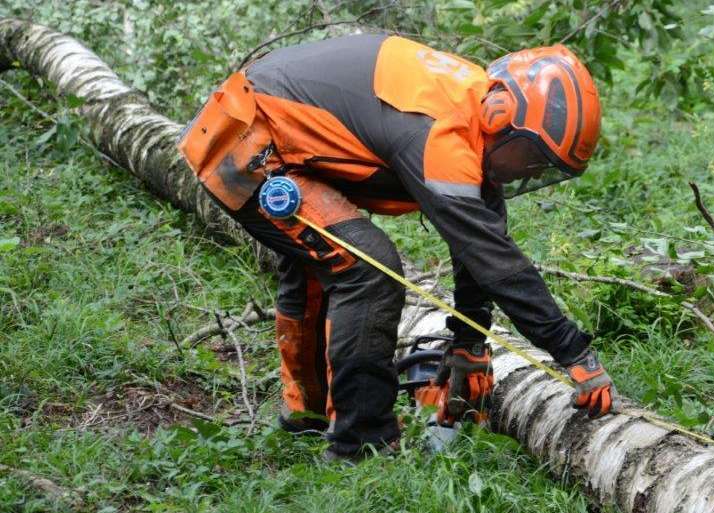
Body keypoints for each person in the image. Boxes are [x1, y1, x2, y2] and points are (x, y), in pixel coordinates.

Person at [177, 33, 614, 461]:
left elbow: (481, 234)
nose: (523, 171)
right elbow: (494, 260)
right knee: (368, 271)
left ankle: (306, 413)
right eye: (526, 158)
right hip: (248, 144)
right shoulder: (436, 132)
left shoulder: (468, 106)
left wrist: (469, 342)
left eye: (538, 168)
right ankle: (360, 443)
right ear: (502, 114)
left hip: (279, 134)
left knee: (321, 265)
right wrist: (572, 351)